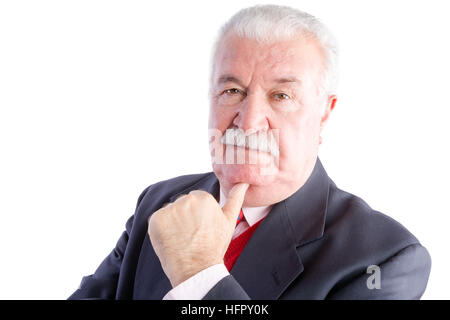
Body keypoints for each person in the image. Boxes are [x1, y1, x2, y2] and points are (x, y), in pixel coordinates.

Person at [69, 5, 431, 300]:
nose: (249, 121)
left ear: (324, 113)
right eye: (232, 91)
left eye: (281, 95)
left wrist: (198, 273)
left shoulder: (385, 259)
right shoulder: (159, 203)